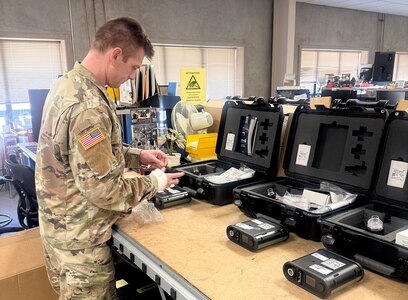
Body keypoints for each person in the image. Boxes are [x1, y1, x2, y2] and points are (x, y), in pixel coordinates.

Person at [35, 17, 184, 299]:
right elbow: (105, 191)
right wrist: (155, 182)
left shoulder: (68, 84)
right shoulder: (87, 107)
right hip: (81, 247)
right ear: (115, 55)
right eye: (132, 68)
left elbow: (86, 152)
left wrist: (138, 155)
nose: (131, 77)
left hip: (61, 234)